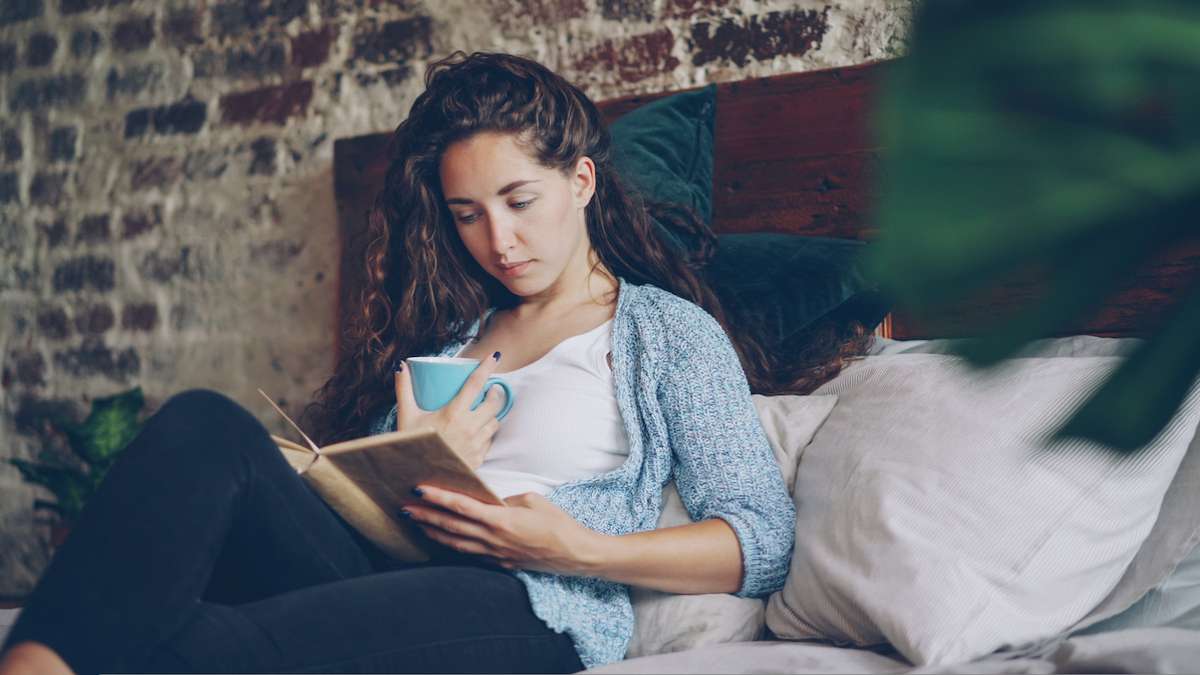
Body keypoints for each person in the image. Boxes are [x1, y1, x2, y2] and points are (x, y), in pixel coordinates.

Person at [0, 50, 845, 675]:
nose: (499, 240)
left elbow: (761, 542)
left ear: (582, 181)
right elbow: (379, 521)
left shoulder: (664, 331)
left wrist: (576, 548)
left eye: (520, 201)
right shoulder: (454, 339)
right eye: (468, 214)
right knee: (204, 424)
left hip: (523, 600)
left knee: (189, 643)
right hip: (388, 563)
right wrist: (410, 459)